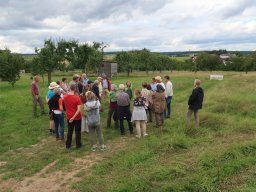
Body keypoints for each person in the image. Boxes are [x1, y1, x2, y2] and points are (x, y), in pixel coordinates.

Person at [63, 84, 82, 149]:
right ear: (75, 89)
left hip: (69, 116)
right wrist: (73, 117)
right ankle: (78, 145)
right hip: (77, 117)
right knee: (77, 131)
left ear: (70, 88)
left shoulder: (65, 97)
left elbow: (64, 107)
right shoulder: (77, 97)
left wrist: (70, 117)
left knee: (70, 131)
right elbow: (79, 109)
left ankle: (68, 145)